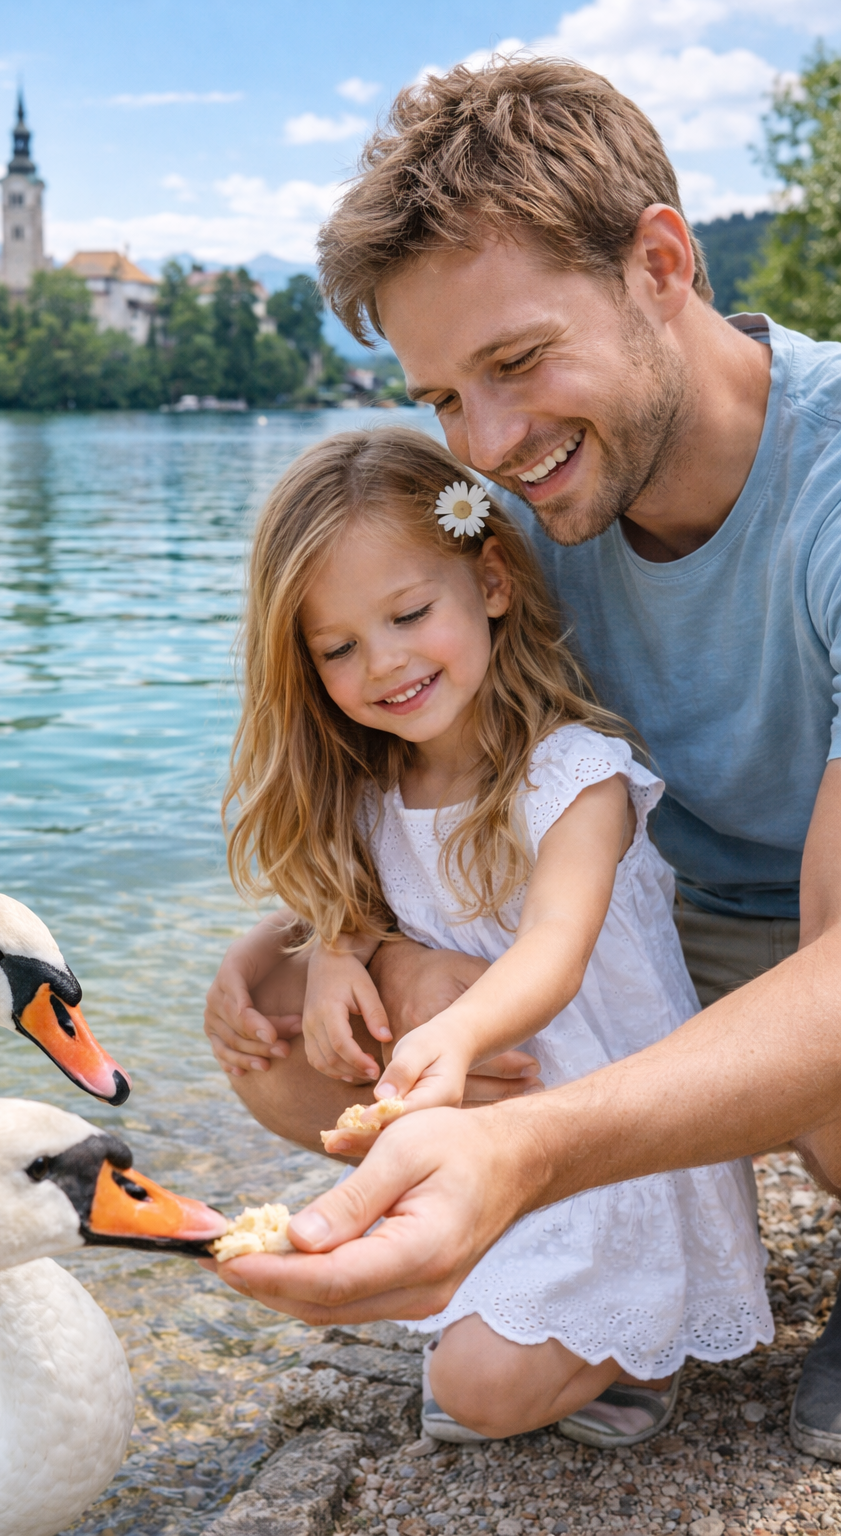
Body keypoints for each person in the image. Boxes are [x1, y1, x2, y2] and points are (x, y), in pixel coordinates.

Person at [203, 57, 841, 1458]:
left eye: (516, 361)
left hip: (809, 938)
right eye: (442, 396)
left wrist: (527, 1138)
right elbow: (448, 793)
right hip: (651, 937)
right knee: (286, 1037)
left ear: (660, 262)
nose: (488, 445)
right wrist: (319, 943)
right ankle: (561, 1280)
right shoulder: (512, 520)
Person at [208, 424, 773, 1445]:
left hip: (601, 1137)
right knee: (285, 1013)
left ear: (495, 583)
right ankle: (494, 1269)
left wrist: (453, 1039)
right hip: (485, 1119)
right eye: (337, 648)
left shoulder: (572, 774)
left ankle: (641, 1344)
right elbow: (340, 898)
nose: (383, 664)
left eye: (409, 614)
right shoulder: (377, 785)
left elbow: (552, 955)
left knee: (472, 1396)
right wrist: (296, 957)